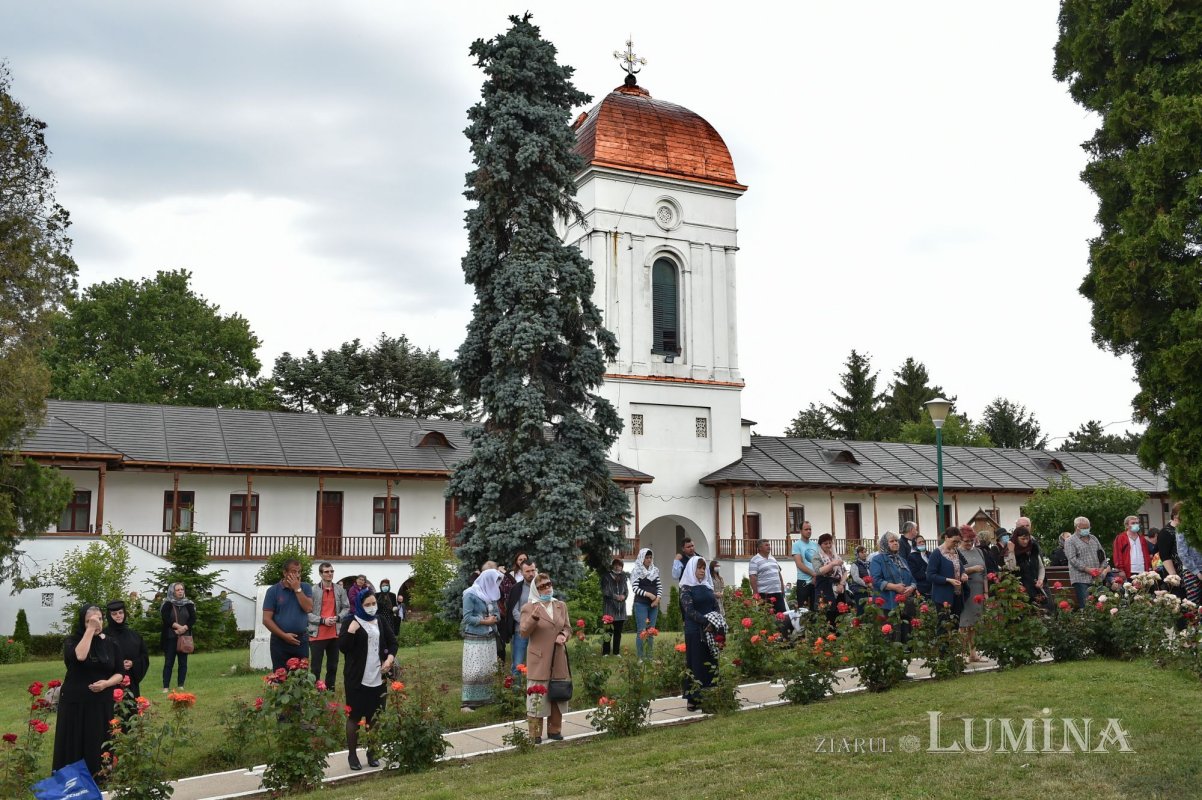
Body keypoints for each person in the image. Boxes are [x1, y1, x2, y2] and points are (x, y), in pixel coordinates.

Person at [52, 605, 122, 778]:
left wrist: (106, 683)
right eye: (89, 620)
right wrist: (90, 630)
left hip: (101, 700)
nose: (95, 623)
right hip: (75, 701)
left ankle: (99, 774)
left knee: (97, 738)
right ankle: (71, 778)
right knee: (74, 739)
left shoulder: (111, 642)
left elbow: (120, 672)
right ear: (83, 622)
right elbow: (80, 656)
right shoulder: (72, 640)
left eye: (98, 619)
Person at [339, 590, 396, 770]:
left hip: (378, 676)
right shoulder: (351, 621)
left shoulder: (380, 620)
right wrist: (350, 632)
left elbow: (393, 642)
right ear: (359, 605)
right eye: (367, 605)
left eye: (373, 604)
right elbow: (343, 648)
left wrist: (389, 659)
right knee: (355, 717)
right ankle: (353, 755)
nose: (372, 608)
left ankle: (372, 752)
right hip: (357, 678)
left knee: (375, 717)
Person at [518, 572, 570, 743]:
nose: (547, 588)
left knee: (557, 693)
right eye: (542, 586)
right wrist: (534, 618)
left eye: (549, 584)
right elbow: (524, 633)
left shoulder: (560, 605)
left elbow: (568, 628)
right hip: (539, 658)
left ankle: (555, 730)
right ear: (536, 590)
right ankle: (535, 734)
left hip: (558, 657)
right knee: (537, 696)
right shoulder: (529, 607)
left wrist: (564, 635)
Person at [679, 556, 719, 712]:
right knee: (695, 663)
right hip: (695, 630)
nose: (702, 571)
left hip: (710, 630)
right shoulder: (686, 588)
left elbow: (715, 606)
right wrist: (706, 622)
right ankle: (693, 698)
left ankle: (711, 694)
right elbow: (689, 611)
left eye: (703, 568)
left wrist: (714, 622)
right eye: (699, 568)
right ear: (691, 569)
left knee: (711, 661)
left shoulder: (708, 587)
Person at [460, 568, 501, 711]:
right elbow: (467, 618)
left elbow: (497, 613)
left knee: (488, 667)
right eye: (494, 581)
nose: (496, 585)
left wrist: (494, 618)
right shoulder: (470, 594)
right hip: (475, 636)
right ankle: (468, 702)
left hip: (490, 636)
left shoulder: (492, 595)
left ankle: (486, 698)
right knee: (474, 669)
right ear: (487, 580)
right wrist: (485, 621)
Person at [262, 559, 313, 670]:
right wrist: (284, 636)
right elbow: (266, 619)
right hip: (280, 641)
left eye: (299, 572)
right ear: (285, 573)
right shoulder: (273, 591)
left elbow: (308, 608)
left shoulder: (305, 587)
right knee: (280, 676)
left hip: (301, 640)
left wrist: (297, 589)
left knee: (301, 677)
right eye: (293, 572)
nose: (297, 575)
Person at [308, 562, 350, 691]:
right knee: (316, 668)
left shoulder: (339, 590)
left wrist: (338, 618)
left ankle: (330, 691)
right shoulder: (312, 590)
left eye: (331, 571)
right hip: (316, 635)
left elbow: (347, 607)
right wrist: (322, 620)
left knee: (333, 666)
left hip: (334, 634)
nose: (330, 574)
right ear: (320, 574)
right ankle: (316, 693)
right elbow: (306, 612)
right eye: (326, 572)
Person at [869, 532, 917, 643]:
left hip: (905, 603)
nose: (895, 543)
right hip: (887, 603)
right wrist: (895, 587)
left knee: (906, 635)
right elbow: (875, 580)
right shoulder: (878, 559)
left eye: (896, 541)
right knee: (891, 636)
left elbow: (912, 579)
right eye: (892, 541)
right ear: (885, 544)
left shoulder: (902, 560)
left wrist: (911, 588)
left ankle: (906, 657)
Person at [104, 600, 148, 698]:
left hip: (131, 680)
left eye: (121, 612)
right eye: (114, 614)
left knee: (130, 709)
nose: (118, 616)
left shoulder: (134, 636)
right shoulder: (103, 636)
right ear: (109, 616)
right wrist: (117, 664)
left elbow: (144, 656)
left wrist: (133, 663)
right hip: (110, 681)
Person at [958, 528, 988, 661]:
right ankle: (962, 653)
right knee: (964, 623)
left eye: (972, 540)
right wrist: (972, 569)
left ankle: (973, 653)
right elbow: (957, 571)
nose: (970, 543)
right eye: (966, 541)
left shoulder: (979, 551)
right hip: (966, 590)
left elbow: (985, 574)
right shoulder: (957, 552)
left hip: (978, 590)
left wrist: (986, 591)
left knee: (974, 623)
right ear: (960, 540)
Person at [160, 582, 195, 691]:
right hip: (170, 637)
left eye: (182, 589)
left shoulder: (189, 604)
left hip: (184, 638)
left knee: (183, 663)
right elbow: (166, 619)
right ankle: (166, 687)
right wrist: (178, 627)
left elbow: (193, 618)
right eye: (178, 590)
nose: (180, 591)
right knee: (168, 663)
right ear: (172, 591)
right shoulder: (167, 603)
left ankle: (181, 685)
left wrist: (184, 628)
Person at [1065, 516, 1107, 608]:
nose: (1087, 530)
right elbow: (1072, 559)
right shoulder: (1070, 541)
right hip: (1081, 579)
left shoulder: (1094, 538)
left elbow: (1102, 554)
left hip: (1096, 578)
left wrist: (1102, 568)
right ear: (1077, 527)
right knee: (1086, 605)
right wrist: (1087, 569)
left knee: (1101, 605)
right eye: (1084, 528)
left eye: (1088, 527)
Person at [504, 559, 537, 674]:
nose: (531, 574)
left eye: (533, 570)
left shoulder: (542, 587)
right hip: (521, 631)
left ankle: (536, 690)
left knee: (538, 664)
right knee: (518, 664)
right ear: (522, 572)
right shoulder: (517, 588)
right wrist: (527, 624)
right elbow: (514, 610)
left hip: (539, 632)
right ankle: (517, 690)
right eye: (527, 571)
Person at [927, 527, 964, 624]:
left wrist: (963, 574)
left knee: (955, 624)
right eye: (954, 541)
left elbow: (960, 567)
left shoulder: (956, 551)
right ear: (946, 537)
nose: (956, 544)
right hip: (943, 596)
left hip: (957, 595)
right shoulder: (937, 553)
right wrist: (948, 580)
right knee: (944, 626)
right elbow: (930, 575)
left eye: (958, 542)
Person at [630, 548, 662, 659]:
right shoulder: (637, 571)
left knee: (651, 631)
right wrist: (648, 594)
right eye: (646, 558)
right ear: (642, 558)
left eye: (650, 557)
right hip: (641, 604)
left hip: (653, 605)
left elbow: (659, 587)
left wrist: (657, 599)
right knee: (642, 631)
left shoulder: (655, 570)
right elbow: (635, 588)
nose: (648, 560)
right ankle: (640, 657)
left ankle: (649, 657)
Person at [497, 553, 528, 661]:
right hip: (515, 608)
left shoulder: (532, 573)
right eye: (520, 559)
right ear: (516, 561)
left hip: (527, 607)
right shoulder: (512, 573)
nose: (522, 561)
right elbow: (512, 588)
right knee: (517, 642)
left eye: (525, 559)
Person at [813, 534, 847, 630]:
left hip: (838, 587)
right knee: (826, 613)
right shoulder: (817, 556)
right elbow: (818, 571)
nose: (828, 546)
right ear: (820, 545)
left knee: (839, 613)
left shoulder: (836, 556)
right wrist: (832, 564)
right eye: (825, 543)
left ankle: (838, 636)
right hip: (824, 587)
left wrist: (841, 584)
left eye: (830, 543)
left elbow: (844, 572)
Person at [748, 539, 787, 614]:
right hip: (765, 594)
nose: (769, 547)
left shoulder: (772, 558)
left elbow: (778, 573)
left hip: (777, 592)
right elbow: (753, 577)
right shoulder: (754, 560)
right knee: (767, 617)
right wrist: (756, 593)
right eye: (766, 545)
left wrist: (782, 588)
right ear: (760, 548)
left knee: (782, 616)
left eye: (769, 545)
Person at [1011, 526, 1046, 607]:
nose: (1026, 541)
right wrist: (1011, 552)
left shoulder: (1033, 548)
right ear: (1016, 538)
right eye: (1022, 539)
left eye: (1027, 538)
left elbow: (1041, 567)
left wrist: (1040, 579)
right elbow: (1011, 568)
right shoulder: (1011, 551)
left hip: (1034, 588)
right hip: (1019, 590)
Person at [600, 558, 629, 656]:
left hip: (620, 609)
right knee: (608, 632)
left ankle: (616, 652)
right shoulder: (606, 576)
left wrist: (624, 596)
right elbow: (605, 591)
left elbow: (626, 590)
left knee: (618, 632)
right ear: (613, 566)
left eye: (620, 565)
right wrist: (616, 596)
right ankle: (606, 652)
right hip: (609, 609)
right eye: (616, 565)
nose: (618, 567)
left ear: (622, 567)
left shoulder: (623, 576)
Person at [1113, 515, 1152, 582]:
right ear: (1127, 526)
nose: (1136, 525)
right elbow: (1118, 555)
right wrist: (1121, 570)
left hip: (1142, 571)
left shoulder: (1142, 539)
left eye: (1137, 523)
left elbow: (1146, 555)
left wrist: (1148, 568)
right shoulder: (1121, 538)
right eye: (1133, 523)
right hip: (1129, 571)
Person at [791, 520, 818, 611]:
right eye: (806, 529)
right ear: (801, 531)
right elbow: (799, 564)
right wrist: (814, 574)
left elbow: (818, 562)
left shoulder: (815, 545)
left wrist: (817, 576)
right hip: (803, 581)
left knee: (816, 609)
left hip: (816, 581)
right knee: (803, 610)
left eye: (810, 529)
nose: (809, 531)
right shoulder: (796, 545)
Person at [848, 546, 872, 611]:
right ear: (857, 554)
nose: (864, 554)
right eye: (862, 552)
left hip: (869, 590)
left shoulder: (867, 564)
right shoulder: (855, 565)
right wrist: (867, 584)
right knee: (861, 609)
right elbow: (856, 578)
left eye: (865, 552)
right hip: (859, 590)